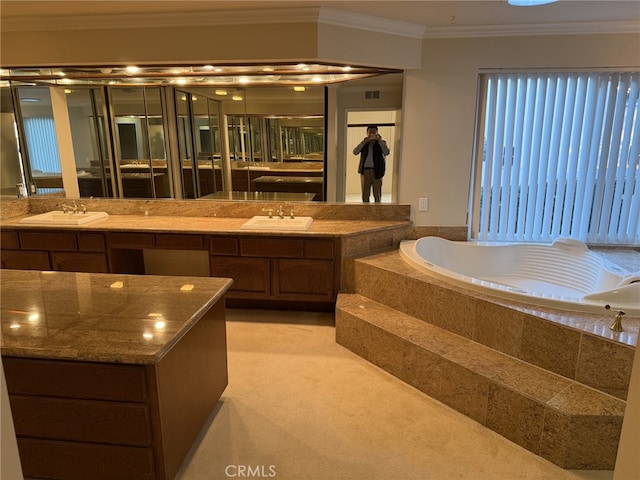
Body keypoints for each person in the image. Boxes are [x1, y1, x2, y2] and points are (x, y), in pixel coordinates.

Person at [353, 125, 389, 203]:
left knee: (377, 193)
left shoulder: (381, 143)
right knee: (365, 193)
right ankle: (365, 210)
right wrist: (363, 142)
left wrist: (379, 141)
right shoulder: (364, 143)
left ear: (377, 133)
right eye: (370, 132)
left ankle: (378, 210)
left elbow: (386, 152)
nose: (372, 134)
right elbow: (355, 152)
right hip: (365, 171)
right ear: (367, 133)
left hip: (377, 171)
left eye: (374, 132)